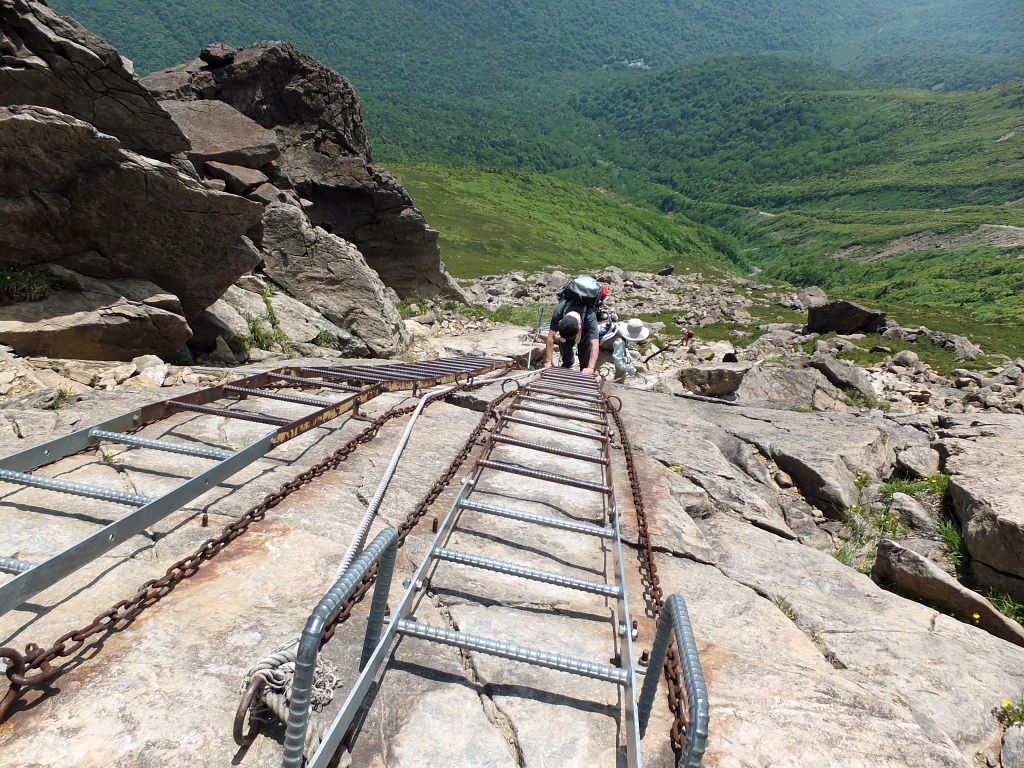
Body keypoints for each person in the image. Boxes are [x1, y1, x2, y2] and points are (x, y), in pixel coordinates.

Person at [545, 291, 600, 374]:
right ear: (560, 322)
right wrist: (548, 361)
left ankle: (583, 370)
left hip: (585, 332)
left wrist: (590, 368)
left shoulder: (590, 315)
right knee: (564, 345)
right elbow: (551, 336)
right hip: (569, 329)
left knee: (585, 355)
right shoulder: (560, 310)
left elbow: (595, 344)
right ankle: (568, 362)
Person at [598, 317, 649, 383]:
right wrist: (631, 370)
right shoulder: (619, 341)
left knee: (623, 363)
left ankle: (618, 384)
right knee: (591, 369)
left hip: (606, 349)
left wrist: (626, 353)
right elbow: (618, 361)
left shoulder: (619, 328)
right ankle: (618, 384)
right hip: (600, 352)